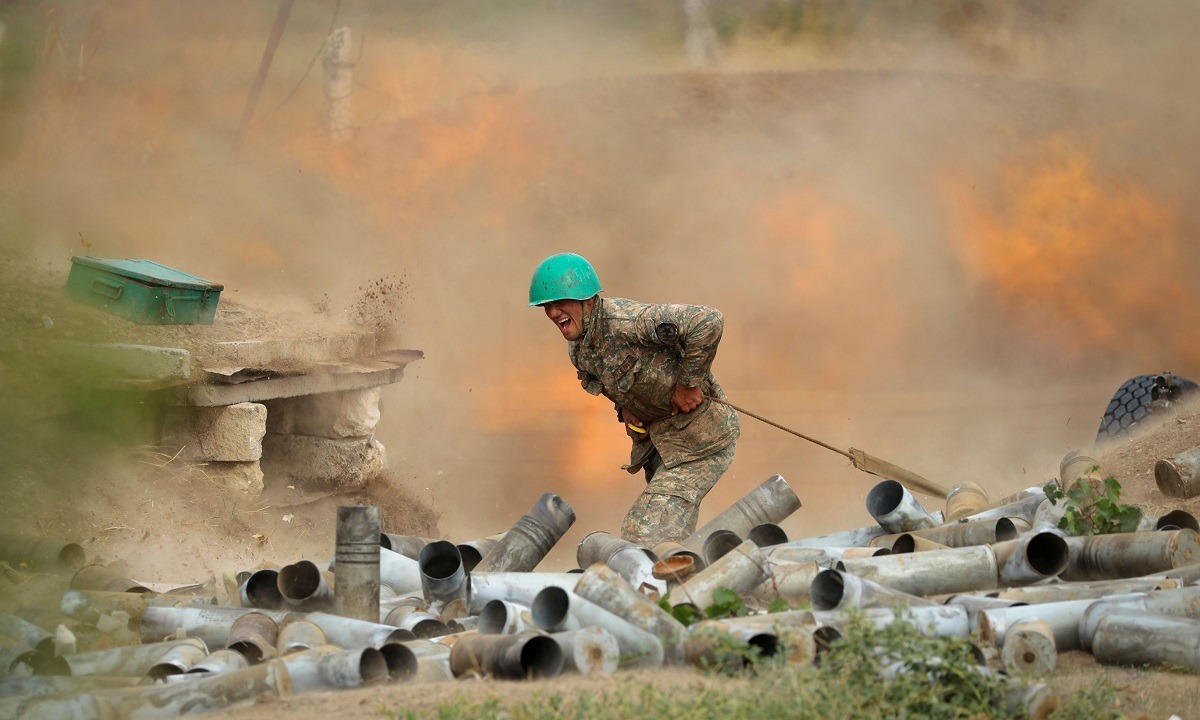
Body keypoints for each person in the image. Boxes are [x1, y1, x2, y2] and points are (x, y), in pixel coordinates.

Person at [528, 252, 739, 547]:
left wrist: (688, 384)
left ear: (588, 300)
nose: (553, 313)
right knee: (670, 538)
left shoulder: (629, 322)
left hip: (701, 442)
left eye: (560, 303)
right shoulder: (580, 350)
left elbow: (708, 321)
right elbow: (612, 382)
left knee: (645, 533)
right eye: (546, 306)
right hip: (662, 447)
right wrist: (626, 409)